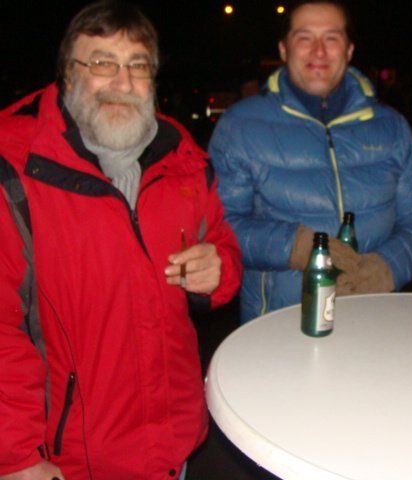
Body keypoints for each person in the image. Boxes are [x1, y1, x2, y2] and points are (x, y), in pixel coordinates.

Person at [0, 2, 242, 479]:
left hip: (173, 444)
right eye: (102, 62)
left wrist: (219, 270)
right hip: (70, 460)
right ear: (68, 75)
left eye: (138, 65)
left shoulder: (182, 158)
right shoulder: (16, 168)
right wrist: (16, 456)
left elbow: (222, 247)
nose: (123, 82)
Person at [209, 0, 412, 322]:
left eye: (331, 38)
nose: (319, 51)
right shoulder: (241, 126)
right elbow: (219, 223)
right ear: (284, 49)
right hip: (281, 322)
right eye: (304, 37)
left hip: (374, 315)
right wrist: (295, 246)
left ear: (349, 50)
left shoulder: (391, 126)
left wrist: (388, 267)